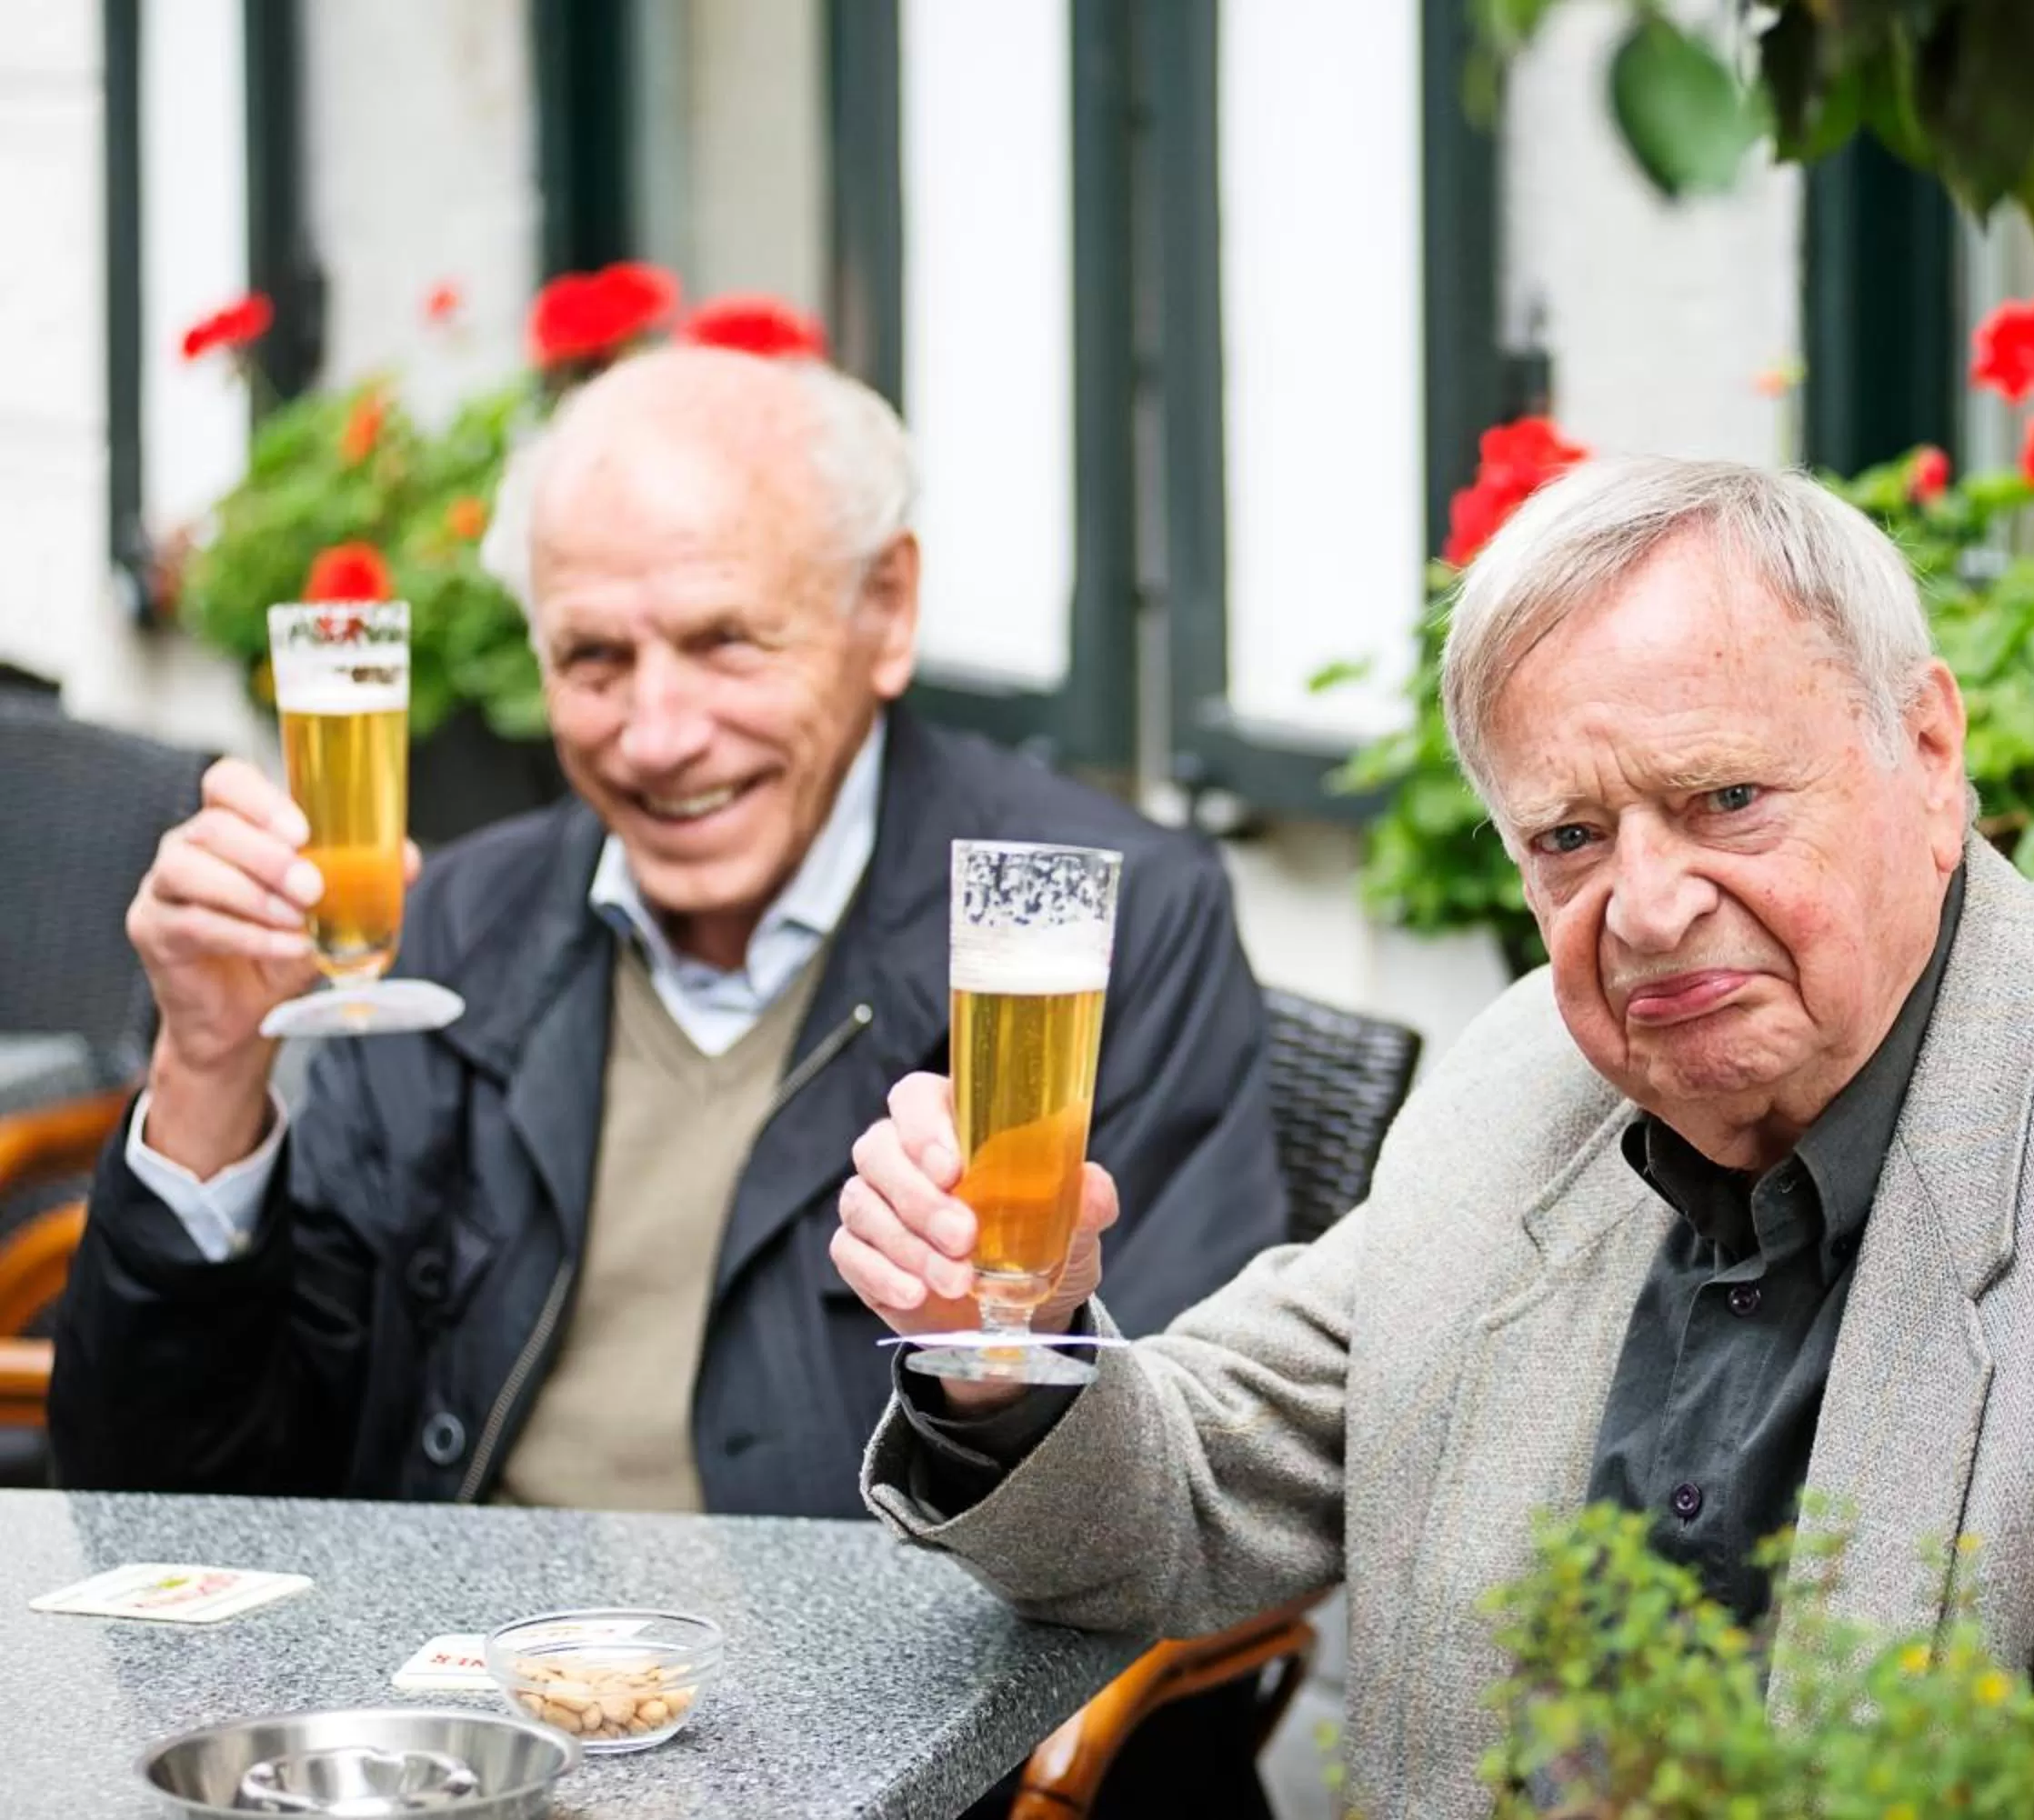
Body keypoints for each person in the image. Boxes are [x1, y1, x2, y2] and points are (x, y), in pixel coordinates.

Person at [837, 456, 2034, 1816]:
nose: (1648, 909)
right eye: (1572, 837)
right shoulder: (1534, 1068)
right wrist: (1009, 1344)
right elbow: (1189, 1491)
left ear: (1929, 760)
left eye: (1727, 797)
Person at [49, 344, 1287, 1520]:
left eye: (723, 641)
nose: (656, 733)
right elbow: (170, 1499)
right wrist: (206, 1073)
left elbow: (1185, 1502)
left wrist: (997, 1360)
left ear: (887, 610)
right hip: (470, 1703)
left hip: (867, 1709)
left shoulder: (1088, 933)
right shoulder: (456, 928)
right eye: (593, 659)